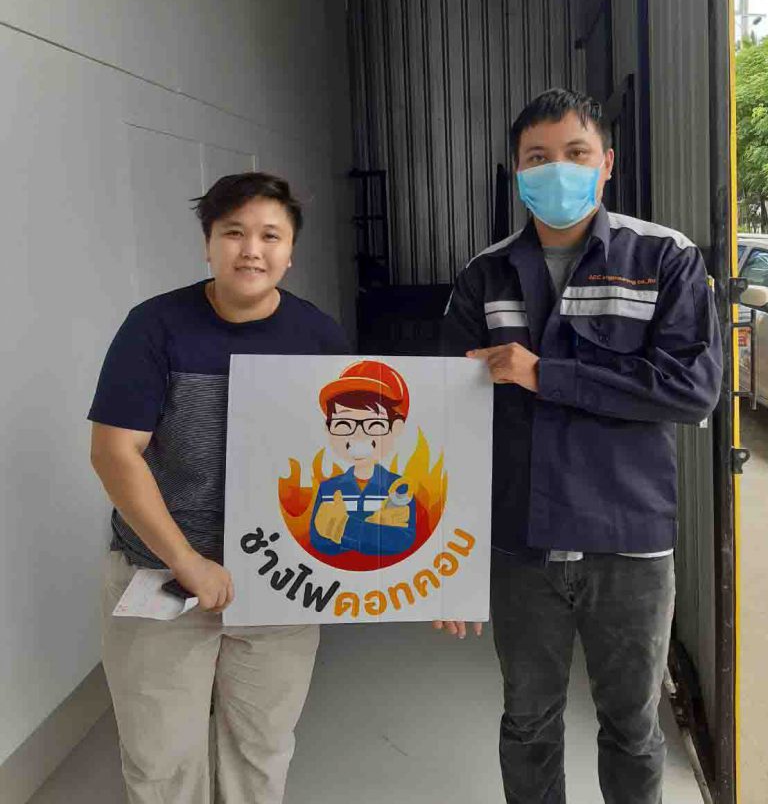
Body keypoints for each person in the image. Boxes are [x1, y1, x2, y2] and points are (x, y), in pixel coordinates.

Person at [436, 89, 723, 804]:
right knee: (527, 722)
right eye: (538, 157)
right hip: (520, 544)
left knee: (632, 726)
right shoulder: (484, 274)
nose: (556, 169)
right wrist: (446, 562)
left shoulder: (664, 258)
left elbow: (692, 391)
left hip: (627, 542)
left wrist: (546, 375)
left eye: (576, 153)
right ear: (516, 170)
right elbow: (444, 423)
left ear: (607, 164)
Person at [89, 172, 350, 804]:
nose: (251, 250)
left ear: (291, 250)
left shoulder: (318, 337)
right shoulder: (155, 327)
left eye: (270, 236)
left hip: (281, 580)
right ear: (208, 243)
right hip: (162, 574)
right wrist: (188, 562)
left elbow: (343, 453)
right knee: (160, 760)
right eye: (233, 233)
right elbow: (114, 453)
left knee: (261, 750)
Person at [310, 360, 416, 557]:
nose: (358, 435)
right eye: (344, 424)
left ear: (396, 428)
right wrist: (374, 532)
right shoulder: (328, 489)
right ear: (329, 428)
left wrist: (343, 528)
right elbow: (319, 541)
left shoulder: (399, 488)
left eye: (374, 424)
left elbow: (401, 541)